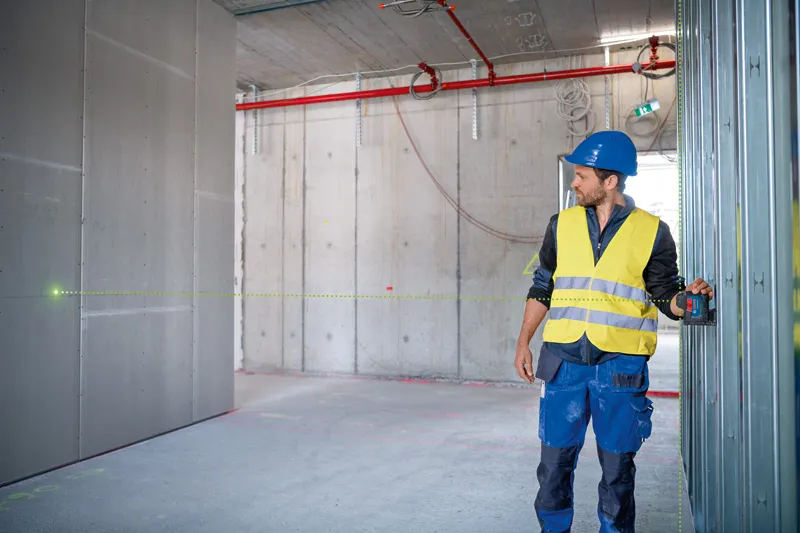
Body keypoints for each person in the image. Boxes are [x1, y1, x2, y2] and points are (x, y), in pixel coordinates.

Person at [514, 130, 713, 533]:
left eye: (581, 176)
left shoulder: (653, 231)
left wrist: (687, 298)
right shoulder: (561, 225)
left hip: (620, 368)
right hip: (564, 364)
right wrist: (523, 342)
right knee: (553, 468)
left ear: (610, 181)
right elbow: (542, 287)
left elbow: (664, 295)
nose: (574, 183)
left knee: (618, 471)